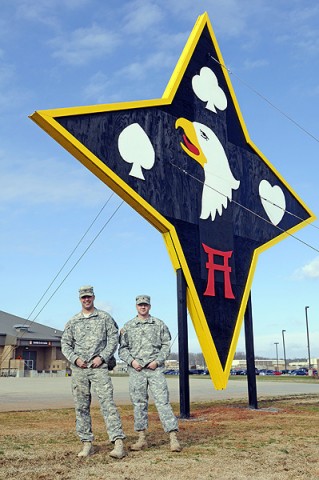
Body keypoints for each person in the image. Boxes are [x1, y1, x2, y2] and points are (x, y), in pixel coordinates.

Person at [61, 285, 126, 459]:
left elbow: (114, 340)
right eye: (83, 298)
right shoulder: (73, 321)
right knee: (81, 407)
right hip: (80, 370)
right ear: (80, 299)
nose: (86, 300)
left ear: (94, 297)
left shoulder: (105, 318)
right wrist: (75, 359)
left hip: (99, 368)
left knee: (108, 404)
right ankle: (87, 443)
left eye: (89, 297)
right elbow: (65, 344)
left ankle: (118, 442)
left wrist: (102, 357)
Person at [118, 294, 181, 452]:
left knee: (163, 402)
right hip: (136, 371)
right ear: (136, 307)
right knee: (139, 404)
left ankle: (173, 438)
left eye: (145, 305)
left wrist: (157, 361)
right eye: (140, 305)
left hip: (155, 370)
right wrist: (132, 362)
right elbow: (122, 349)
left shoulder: (159, 324)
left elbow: (166, 345)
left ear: (150, 306)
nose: (143, 307)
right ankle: (141, 438)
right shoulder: (128, 326)